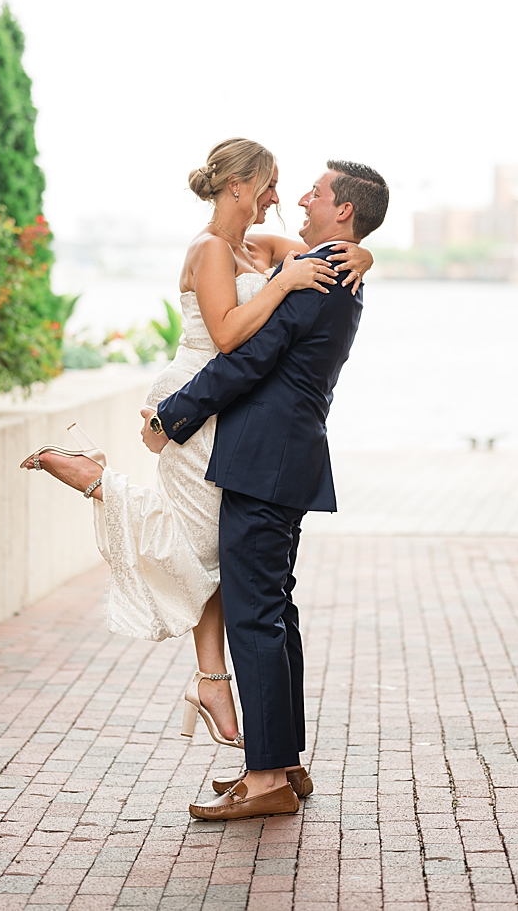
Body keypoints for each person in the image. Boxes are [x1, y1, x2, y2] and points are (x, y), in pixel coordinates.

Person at [22, 139, 372, 751]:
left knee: (214, 552)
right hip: (200, 396)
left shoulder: (257, 247)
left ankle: (211, 680)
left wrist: (361, 252)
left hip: (226, 408)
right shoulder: (210, 249)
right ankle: (97, 482)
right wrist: (284, 282)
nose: (278, 198)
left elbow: (330, 250)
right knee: (204, 547)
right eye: (267, 185)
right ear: (237, 185)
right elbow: (230, 335)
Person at [147, 159, 390, 819]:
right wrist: (360, 248)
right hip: (287, 460)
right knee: (275, 613)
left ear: (344, 210)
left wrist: (171, 418)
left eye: (318, 191)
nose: (303, 199)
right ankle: (282, 760)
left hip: (263, 462)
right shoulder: (335, 269)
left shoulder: (316, 279)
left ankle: (264, 780)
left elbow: (244, 359)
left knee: (256, 616)